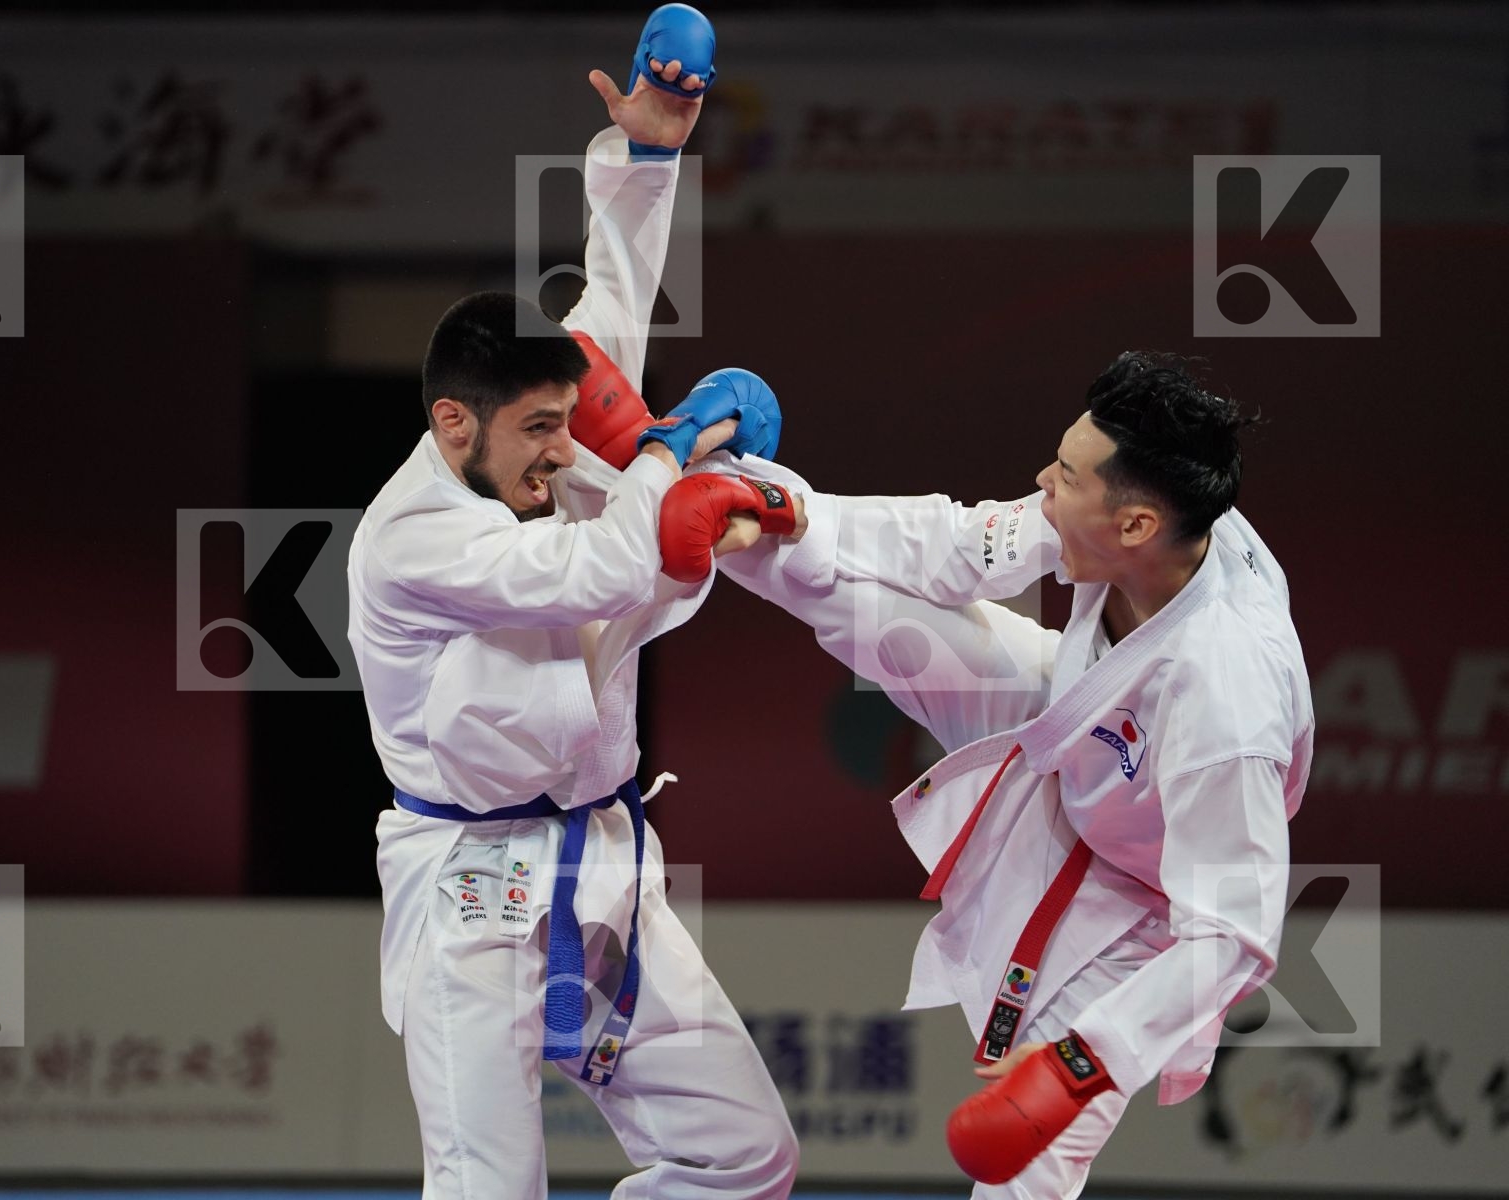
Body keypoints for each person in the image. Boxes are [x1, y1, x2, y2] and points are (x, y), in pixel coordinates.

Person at [658, 351, 1314, 1197]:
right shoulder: (1133, 512)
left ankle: (712, 477)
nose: (1045, 479)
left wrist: (1082, 1065)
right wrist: (796, 507)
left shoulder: (1228, 694)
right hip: (1068, 720)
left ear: (1136, 526)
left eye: (1066, 475)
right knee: (846, 590)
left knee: (1030, 1162)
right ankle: (676, 466)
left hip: (1144, 901)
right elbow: (961, 546)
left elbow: (1233, 933)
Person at [346, 8, 798, 1197]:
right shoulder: (411, 539)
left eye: (567, 418)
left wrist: (649, 157)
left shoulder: (550, 429)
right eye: (538, 432)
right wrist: (674, 450)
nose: (562, 455)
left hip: (603, 855)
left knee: (745, 1157)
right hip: (467, 883)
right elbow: (591, 572)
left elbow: (616, 290)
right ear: (456, 425)